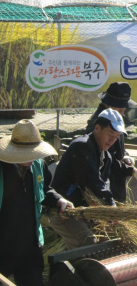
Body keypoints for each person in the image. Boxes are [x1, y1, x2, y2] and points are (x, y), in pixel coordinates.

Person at [50, 110, 137, 248]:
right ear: (97, 128)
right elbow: (94, 182)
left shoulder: (103, 152)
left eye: (116, 137)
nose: (112, 140)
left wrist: (134, 171)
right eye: (110, 135)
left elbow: (114, 164)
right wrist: (111, 207)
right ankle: (69, 269)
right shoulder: (82, 147)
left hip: (84, 210)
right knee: (88, 244)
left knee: (106, 239)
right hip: (64, 210)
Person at [0, 120, 73, 286]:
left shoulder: (39, 166)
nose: (31, 157)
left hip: (30, 246)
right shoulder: (2, 168)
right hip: (3, 245)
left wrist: (59, 199)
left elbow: (44, 189)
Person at [85, 82, 137, 203]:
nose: (121, 113)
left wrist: (125, 155)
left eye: (123, 109)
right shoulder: (96, 125)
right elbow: (103, 157)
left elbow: (118, 146)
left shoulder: (117, 116)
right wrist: (131, 171)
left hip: (117, 177)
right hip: (103, 180)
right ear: (106, 104)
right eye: (119, 109)